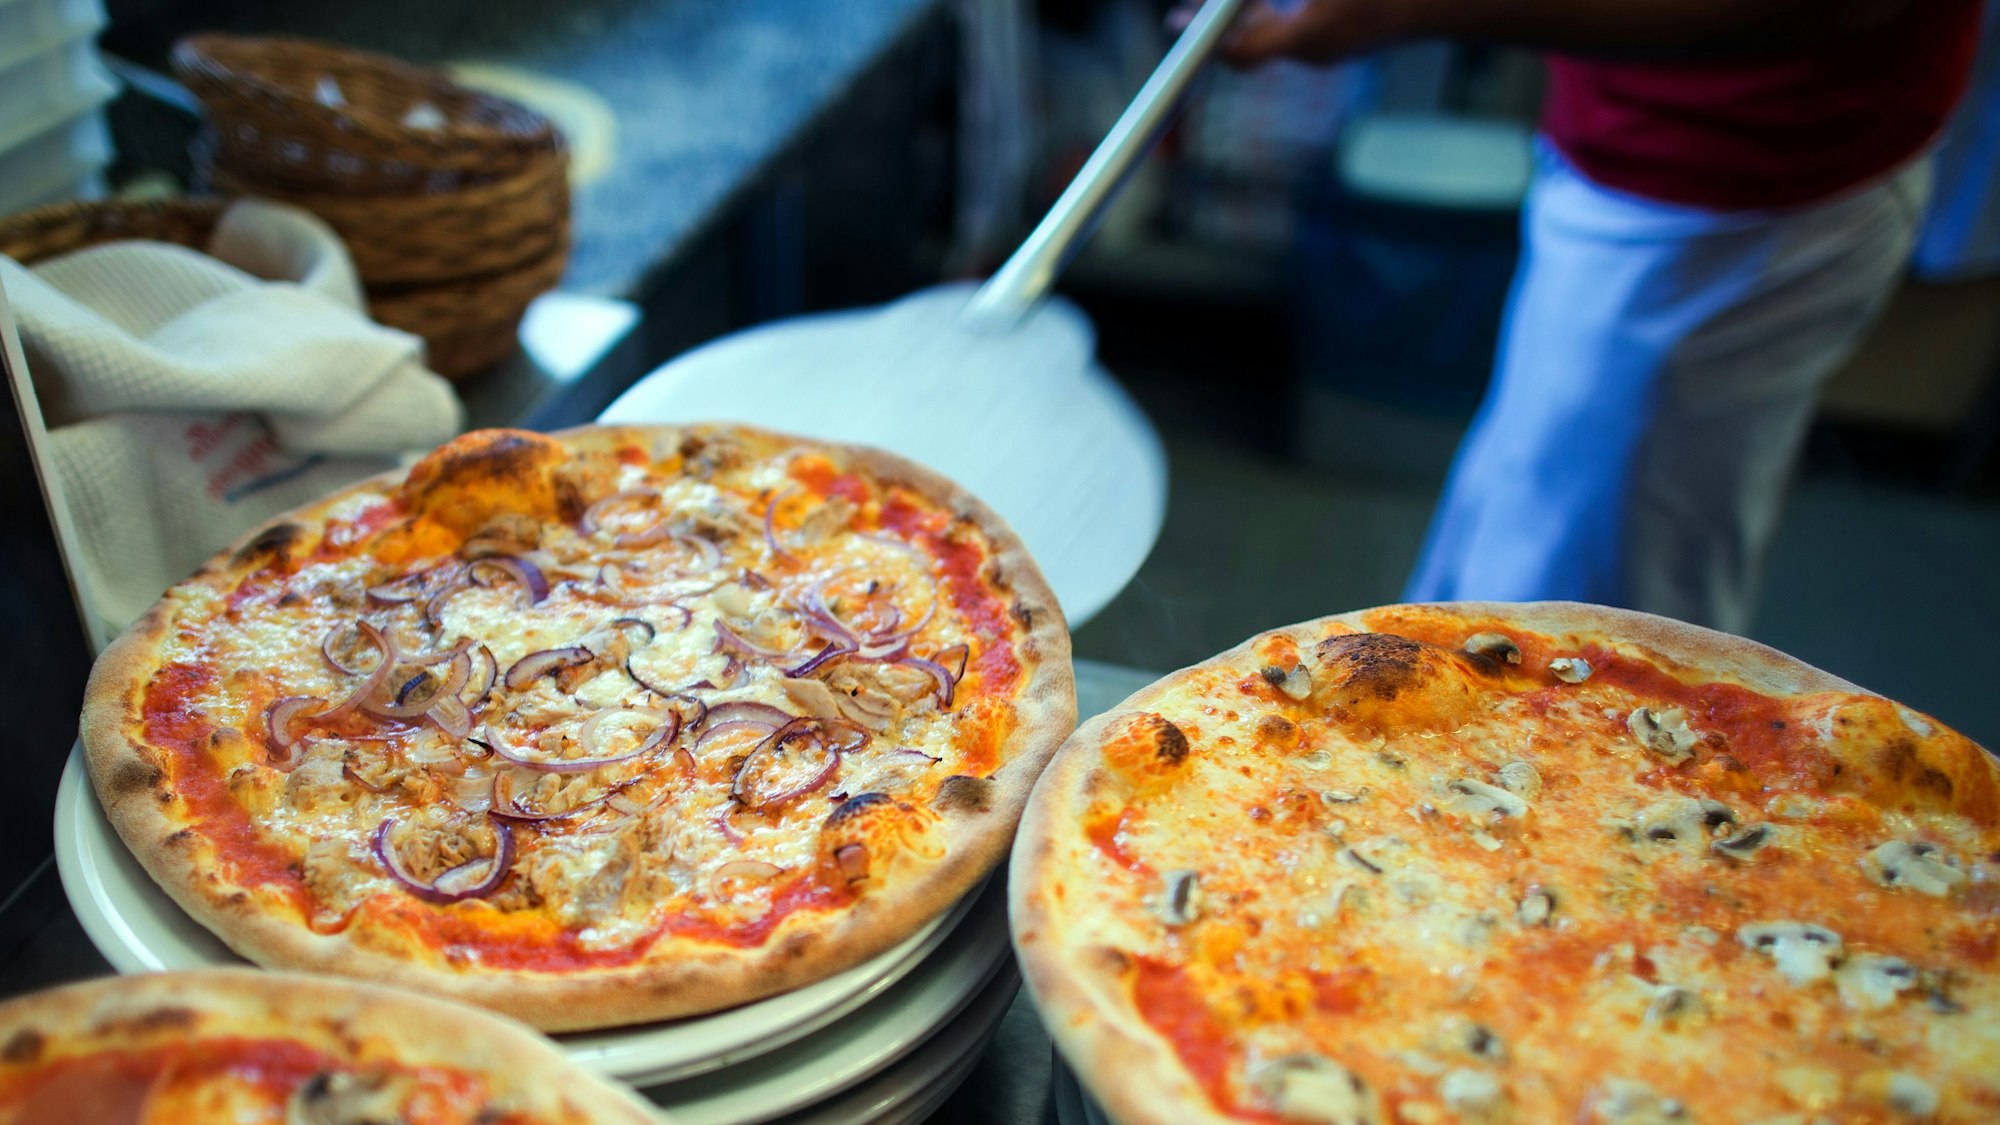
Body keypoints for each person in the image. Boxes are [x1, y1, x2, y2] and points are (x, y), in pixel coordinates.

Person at [1201, 0, 1983, 633]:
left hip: (1739, 192)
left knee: (1593, 635)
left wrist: (1408, 11)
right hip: (1629, 144)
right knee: (1487, 579)